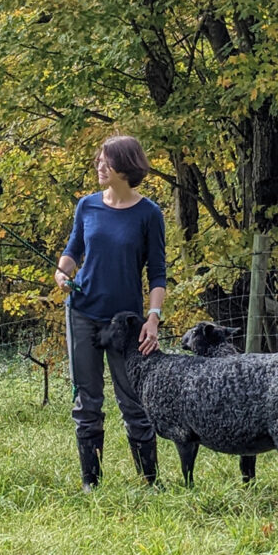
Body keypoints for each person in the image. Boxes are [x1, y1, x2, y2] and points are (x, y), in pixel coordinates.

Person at [54, 134, 166, 491]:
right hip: (83, 313)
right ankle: (91, 484)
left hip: (127, 322)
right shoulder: (86, 206)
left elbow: (158, 272)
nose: (99, 166)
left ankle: (150, 483)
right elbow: (74, 249)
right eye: (99, 160)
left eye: (105, 161)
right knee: (87, 402)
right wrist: (63, 272)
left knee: (133, 402)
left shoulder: (149, 213)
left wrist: (153, 318)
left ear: (124, 166)